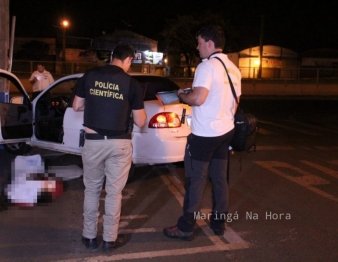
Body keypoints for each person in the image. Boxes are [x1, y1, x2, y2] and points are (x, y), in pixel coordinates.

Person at [163, 25, 241, 239]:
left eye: (199, 43)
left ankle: (185, 227)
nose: (197, 48)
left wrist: (182, 95)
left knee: (195, 181)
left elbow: (198, 99)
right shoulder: (234, 69)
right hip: (225, 132)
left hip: (204, 135)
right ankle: (218, 224)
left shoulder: (206, 67)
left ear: (209, 43)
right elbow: (234, 103)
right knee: (219, 179)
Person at [72, 42, 147, 252]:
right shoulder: (131, 84)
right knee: (114, 193)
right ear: (129, 60)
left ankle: (88, 237)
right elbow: (140, 121)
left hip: (93, 142)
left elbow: (76, 105)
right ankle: (109, 239)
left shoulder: (89, 75)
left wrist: (96, 101)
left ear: (112, 55)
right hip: (119, 144)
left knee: (92, 190)